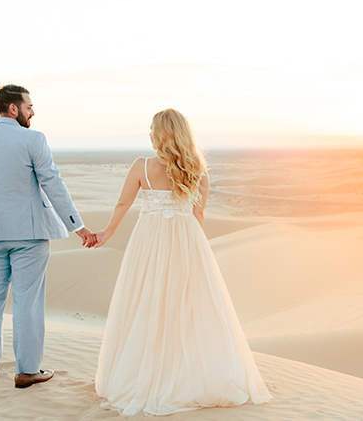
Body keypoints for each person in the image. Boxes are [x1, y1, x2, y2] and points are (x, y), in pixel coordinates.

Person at [93, 108, 272, 416]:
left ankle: (149, 375)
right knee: (186, 307)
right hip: (186, 241)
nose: (149, 135)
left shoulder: (142, 166)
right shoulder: (198, 170)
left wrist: (107, 232)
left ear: (162, 134)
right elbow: (198, 214)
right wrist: (197, 249)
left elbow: (124, 202)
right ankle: (184, 375)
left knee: (148, 303)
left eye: (152, 130)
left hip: (149, 242)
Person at [0, 85, 97, 388]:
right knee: (27, 302)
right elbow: (52, 183)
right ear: (13, 108)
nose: (32, 112)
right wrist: (78, 226)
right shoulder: (34, 139)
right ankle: (27, 370)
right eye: (29, 106)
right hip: (29, 236)